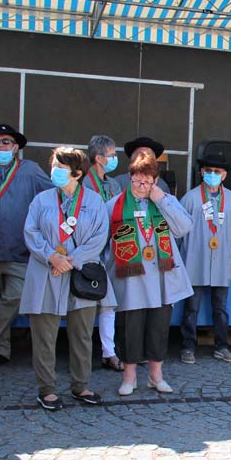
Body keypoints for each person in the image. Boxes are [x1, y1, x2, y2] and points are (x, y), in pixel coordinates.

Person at [21, 147, 111, 410]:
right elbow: (31, 231)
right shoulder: (41, 200)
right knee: (44, 335)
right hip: (46, 272)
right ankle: (46, 389)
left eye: (60, 168)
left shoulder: (94, 201)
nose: (55, 172)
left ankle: (81, 385)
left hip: (81, 274)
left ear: (77, 173)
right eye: (54, 166)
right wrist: (52, 257)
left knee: (82, 333)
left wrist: (70, 261)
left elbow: (99, 237)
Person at [106, 153, 193, 396]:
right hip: (130, 278)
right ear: (130, 178)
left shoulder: (166, 201)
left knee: (158, 327)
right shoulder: (115, 205)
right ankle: (129, 376)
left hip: (161, 278)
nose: (141, 186)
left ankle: (156, 376)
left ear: (155, 181)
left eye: (147, 182)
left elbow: (184, 227)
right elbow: (103, 242)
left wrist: (162, 200)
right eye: (137, 181)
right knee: (130, 329)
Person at [0, 124, 51, 367]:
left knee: (15, 296)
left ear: (16, 147)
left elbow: (50, 197)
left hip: (20, 250)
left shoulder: (31, 170)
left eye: (6, 141)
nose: (0, 146)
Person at [179, 153, 231, 364]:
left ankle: (221, 346)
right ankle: (188, 347)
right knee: (192, 308)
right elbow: (180, 230)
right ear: (201, 172)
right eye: (208, 171)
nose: (212, 174)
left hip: (221, 259)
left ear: (224, 175)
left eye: (217, 171)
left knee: (221, 307)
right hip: (195, 258)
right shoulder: (190, 198)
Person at [85, 135, 125, 372]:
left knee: (109, 304)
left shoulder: (114, 185)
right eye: (111, 155)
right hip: (88, 250)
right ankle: (82, 353)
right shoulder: (83, 183)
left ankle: (108, 352)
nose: (115, 159)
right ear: (99, 158)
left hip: (111, 249)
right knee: (85, 304)